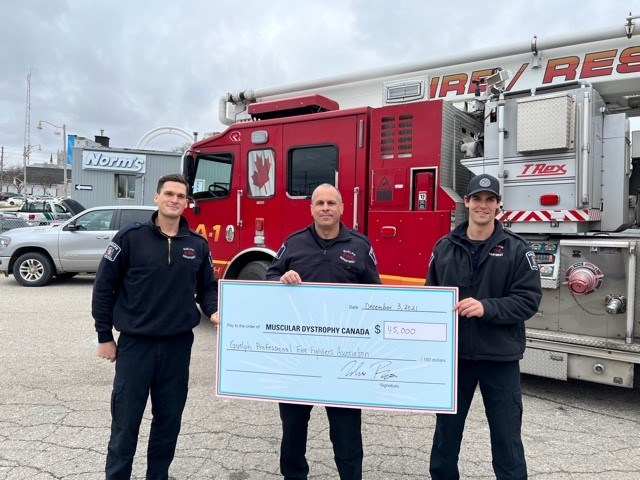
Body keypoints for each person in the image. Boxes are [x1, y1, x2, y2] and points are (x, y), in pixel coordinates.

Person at [92, 173, 219, 479]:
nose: (175, 200)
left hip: (177, 346)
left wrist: (214, 311)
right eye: (170, 194)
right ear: (157, 198)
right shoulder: (130, 238)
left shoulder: (197, 245)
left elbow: (208, 288)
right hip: (136, 346)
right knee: (125, 423)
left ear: (187, 202)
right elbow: (103, 287)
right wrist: (104, 336)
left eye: (181, 196)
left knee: (168, 422)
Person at [426, 173, 542, 480]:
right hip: (456, 360)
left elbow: (528, 301)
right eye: (477, 199)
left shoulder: (518, 250)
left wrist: (486, 307)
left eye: (490, 200)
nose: (483, 205)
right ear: (466, 202)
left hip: (499, 359)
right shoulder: (444, 247)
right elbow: (430, 298)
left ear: (498, 205)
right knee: (446, 439)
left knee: (506, 440)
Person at [266, 183, 381, 480]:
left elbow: (376, 294)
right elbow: (269, 278)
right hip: (298, 356)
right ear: (312, 209)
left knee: (346, 432)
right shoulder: (293, 243)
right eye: (320, 203)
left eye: (331, 203)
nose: (326, 208)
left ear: (342, 208)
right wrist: (281, 278)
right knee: (292, 428)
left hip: (344, 358)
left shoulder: (359, 245)